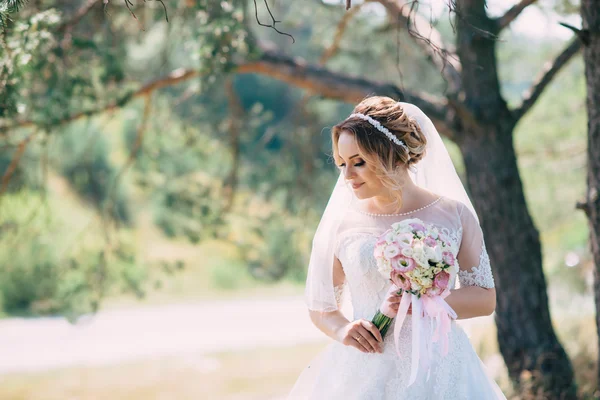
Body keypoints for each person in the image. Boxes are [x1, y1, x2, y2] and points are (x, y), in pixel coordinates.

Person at [287, 96, 506, 399]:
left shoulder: (454, 215)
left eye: (358, 162)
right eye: (342, 164)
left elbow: (484, 298)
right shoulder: (342, 224)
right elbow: (321, 306)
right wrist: (343, 330)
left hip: (438, 368)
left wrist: (422, 300)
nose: (347, 176)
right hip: (364, 369)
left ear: (392, 154)